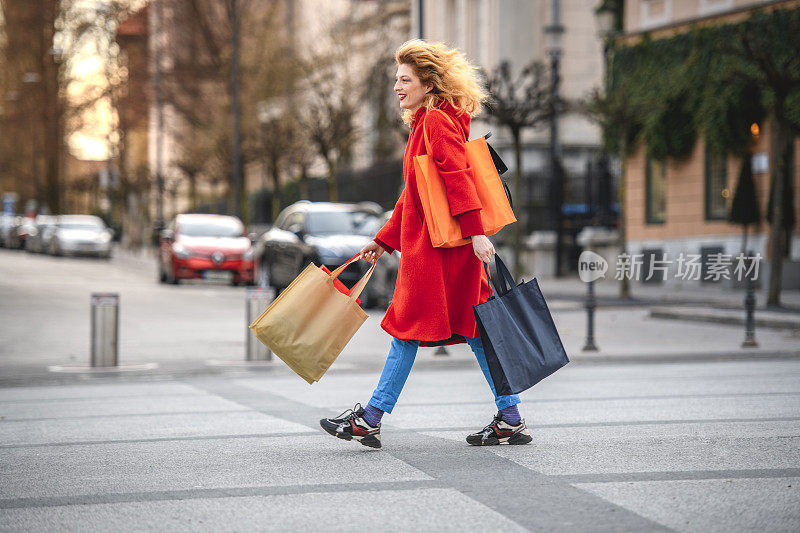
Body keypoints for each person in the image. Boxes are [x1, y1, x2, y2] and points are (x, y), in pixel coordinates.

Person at [319, 40, 531, 449]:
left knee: (407, 330)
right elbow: (415, 195)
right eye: (396, 80)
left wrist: (476, 233)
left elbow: (457, 179)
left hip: (441, 252)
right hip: (441, 248)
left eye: (404, 80)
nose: (397, 87)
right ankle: (510, 416)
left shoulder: (434, 123)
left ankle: (371, 418)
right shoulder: (427, 122)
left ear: (428, 83)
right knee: (470, 330)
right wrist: (384, 240)